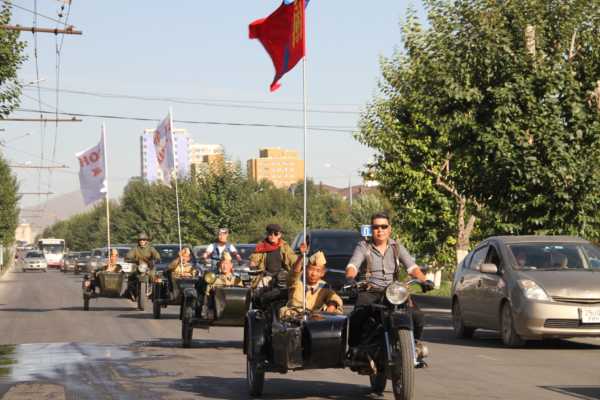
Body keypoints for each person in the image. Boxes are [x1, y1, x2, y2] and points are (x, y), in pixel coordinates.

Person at [345, 212, 433, 352]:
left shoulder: (396, 247)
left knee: (417, 315)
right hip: (371, 290)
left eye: (383, 226)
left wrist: (424, 280)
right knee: (358, 315)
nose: (380, 230)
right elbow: (353, 266)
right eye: (376, 227)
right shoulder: (363, 246)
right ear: (371, 229)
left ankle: (414, 346)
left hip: (394, 292)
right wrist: (350, 278)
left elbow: (412, 268)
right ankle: (354, 349)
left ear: (389, 229)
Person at [279, 243, 343, 320]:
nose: (313, 274)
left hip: (314, 319)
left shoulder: (323, 286)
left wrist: (331, 307)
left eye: (318, 271)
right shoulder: (297, 281)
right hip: (294, 317)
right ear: (305, 269)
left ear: (322, 273)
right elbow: (294, 273)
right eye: (311, 269)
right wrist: (301, 256)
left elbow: (334, 298)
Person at [200, 251, 243, 319]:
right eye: (222, 263)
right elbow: (207, 293)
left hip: (235, 307)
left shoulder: (236, 279)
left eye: (226, 263)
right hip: (216, 308)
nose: (224, 266)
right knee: (208, 288)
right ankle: (206, 310)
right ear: (219, 265)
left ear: (231, 265)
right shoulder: (215, 279)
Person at [124, 232, 161, 302]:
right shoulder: (135, 249)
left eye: (143, 240)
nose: (142, 241)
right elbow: (128, 256)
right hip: (139, 267)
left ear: (146, 241)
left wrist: (155, 259)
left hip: (149, 267)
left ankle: (153, 291)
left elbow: (157, 255)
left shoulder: (151, 248)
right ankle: (130, 291)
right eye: (140, 240)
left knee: (153, 275)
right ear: (138, 241)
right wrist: (132, 259)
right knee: (131, 276)